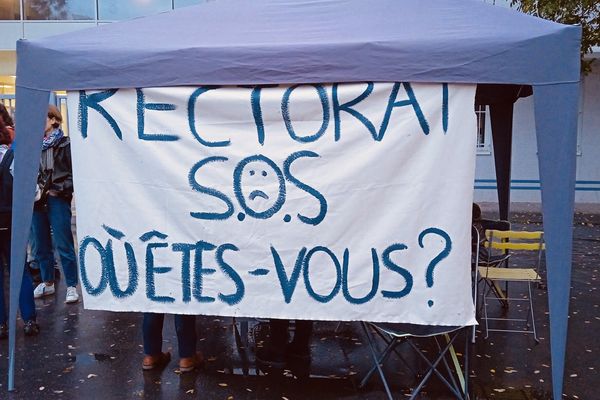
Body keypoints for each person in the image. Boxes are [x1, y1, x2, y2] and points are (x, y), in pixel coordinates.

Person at [31, 105, 79, 304]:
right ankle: (47, 281)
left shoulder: (66, 144)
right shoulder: (32, 145)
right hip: (36, 200)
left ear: (53, 119)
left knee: (63, 242)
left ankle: (71, 285)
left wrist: (59, 189)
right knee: (40, 244)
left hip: (57, 198)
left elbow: (74, 173)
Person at [0, 119, 39, 338]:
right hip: (12, 220)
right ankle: (29, 320)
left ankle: (1, 324)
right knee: (20, 271)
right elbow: (31, 191)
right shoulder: (14, 158)